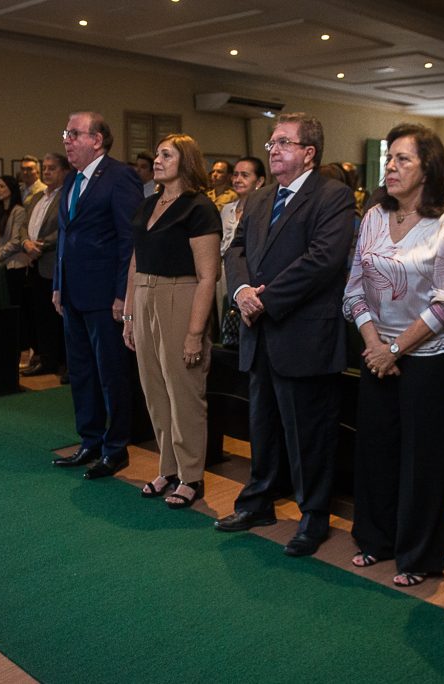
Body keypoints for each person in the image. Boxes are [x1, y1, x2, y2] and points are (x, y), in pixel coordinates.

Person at [215, 113, 356, 558]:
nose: (272, 149)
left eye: (283, 143)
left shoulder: (332, 196)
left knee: (307, 434)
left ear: (308, 152)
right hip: (260, 334)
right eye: (271, 143)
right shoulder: (259, 199)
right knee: (263, 427)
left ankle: (313, 517)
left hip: (302, 334)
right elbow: (236, 249)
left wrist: (265, 299)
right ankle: (258, 502)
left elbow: (323, 260)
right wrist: (240, 291)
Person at [342, 123, 444, 587]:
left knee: (421, 459)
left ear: (428, 167)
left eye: (402, 159)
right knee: (375, 450)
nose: (390, 166)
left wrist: (395, 348)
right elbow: (354, 289)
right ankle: (376, 539)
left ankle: (418, 555)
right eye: (388, 158)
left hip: (428, 355)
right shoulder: (373, 215)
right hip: (376, 352)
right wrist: (374, 345)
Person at [122, 134, 222, 508]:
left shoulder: (199, 208)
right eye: (158, 154)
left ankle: (192, 476)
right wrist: (130, 313)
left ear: (187, 161)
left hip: (182, 295)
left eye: (167, 154)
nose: (157, 159)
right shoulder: (147, 205)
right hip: (145, 295)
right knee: (154, 389)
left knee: (184, 392)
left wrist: (196, 332)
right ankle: (169, 467)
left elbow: (208, 275)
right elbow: (135, 261)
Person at [50, 111, 142, 480]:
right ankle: (89, 440)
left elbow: (129, 240)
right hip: (73, 292)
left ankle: (115, 448)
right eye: (66, 133)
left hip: (106, 296)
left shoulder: (120, 177)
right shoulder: (72, 179)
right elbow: (64, 238)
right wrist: (58, 283)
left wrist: (123, 294)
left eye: (74, 134)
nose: (67, 140)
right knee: (82, 372)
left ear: (98, 140)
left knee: (112, 374)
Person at [21, 153, 68, 377]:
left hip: (53, 264)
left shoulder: (67, 196)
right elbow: (23, 224)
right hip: (34, 263)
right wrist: (25, 243)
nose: (47, 172)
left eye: (52, 168)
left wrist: (40, 245)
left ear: (64, 172)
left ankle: (62, 361)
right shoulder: (38, 196)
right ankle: (46, 359)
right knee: (40, 315)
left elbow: (65, 228)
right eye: (45, 168)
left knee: (57, 316)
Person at [218, 156, 266, 321]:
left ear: (259, 181)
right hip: (223, 272)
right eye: (235, 175)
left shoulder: (264, 211)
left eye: (244, 175)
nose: (238, 179)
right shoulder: (226, 209)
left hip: (247, 274)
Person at [0, 175, 29, 334]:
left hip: (13, 266)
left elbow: (15, 242)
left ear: (11, 189)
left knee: (12, 307)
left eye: (2, 187)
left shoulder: (19, 211)